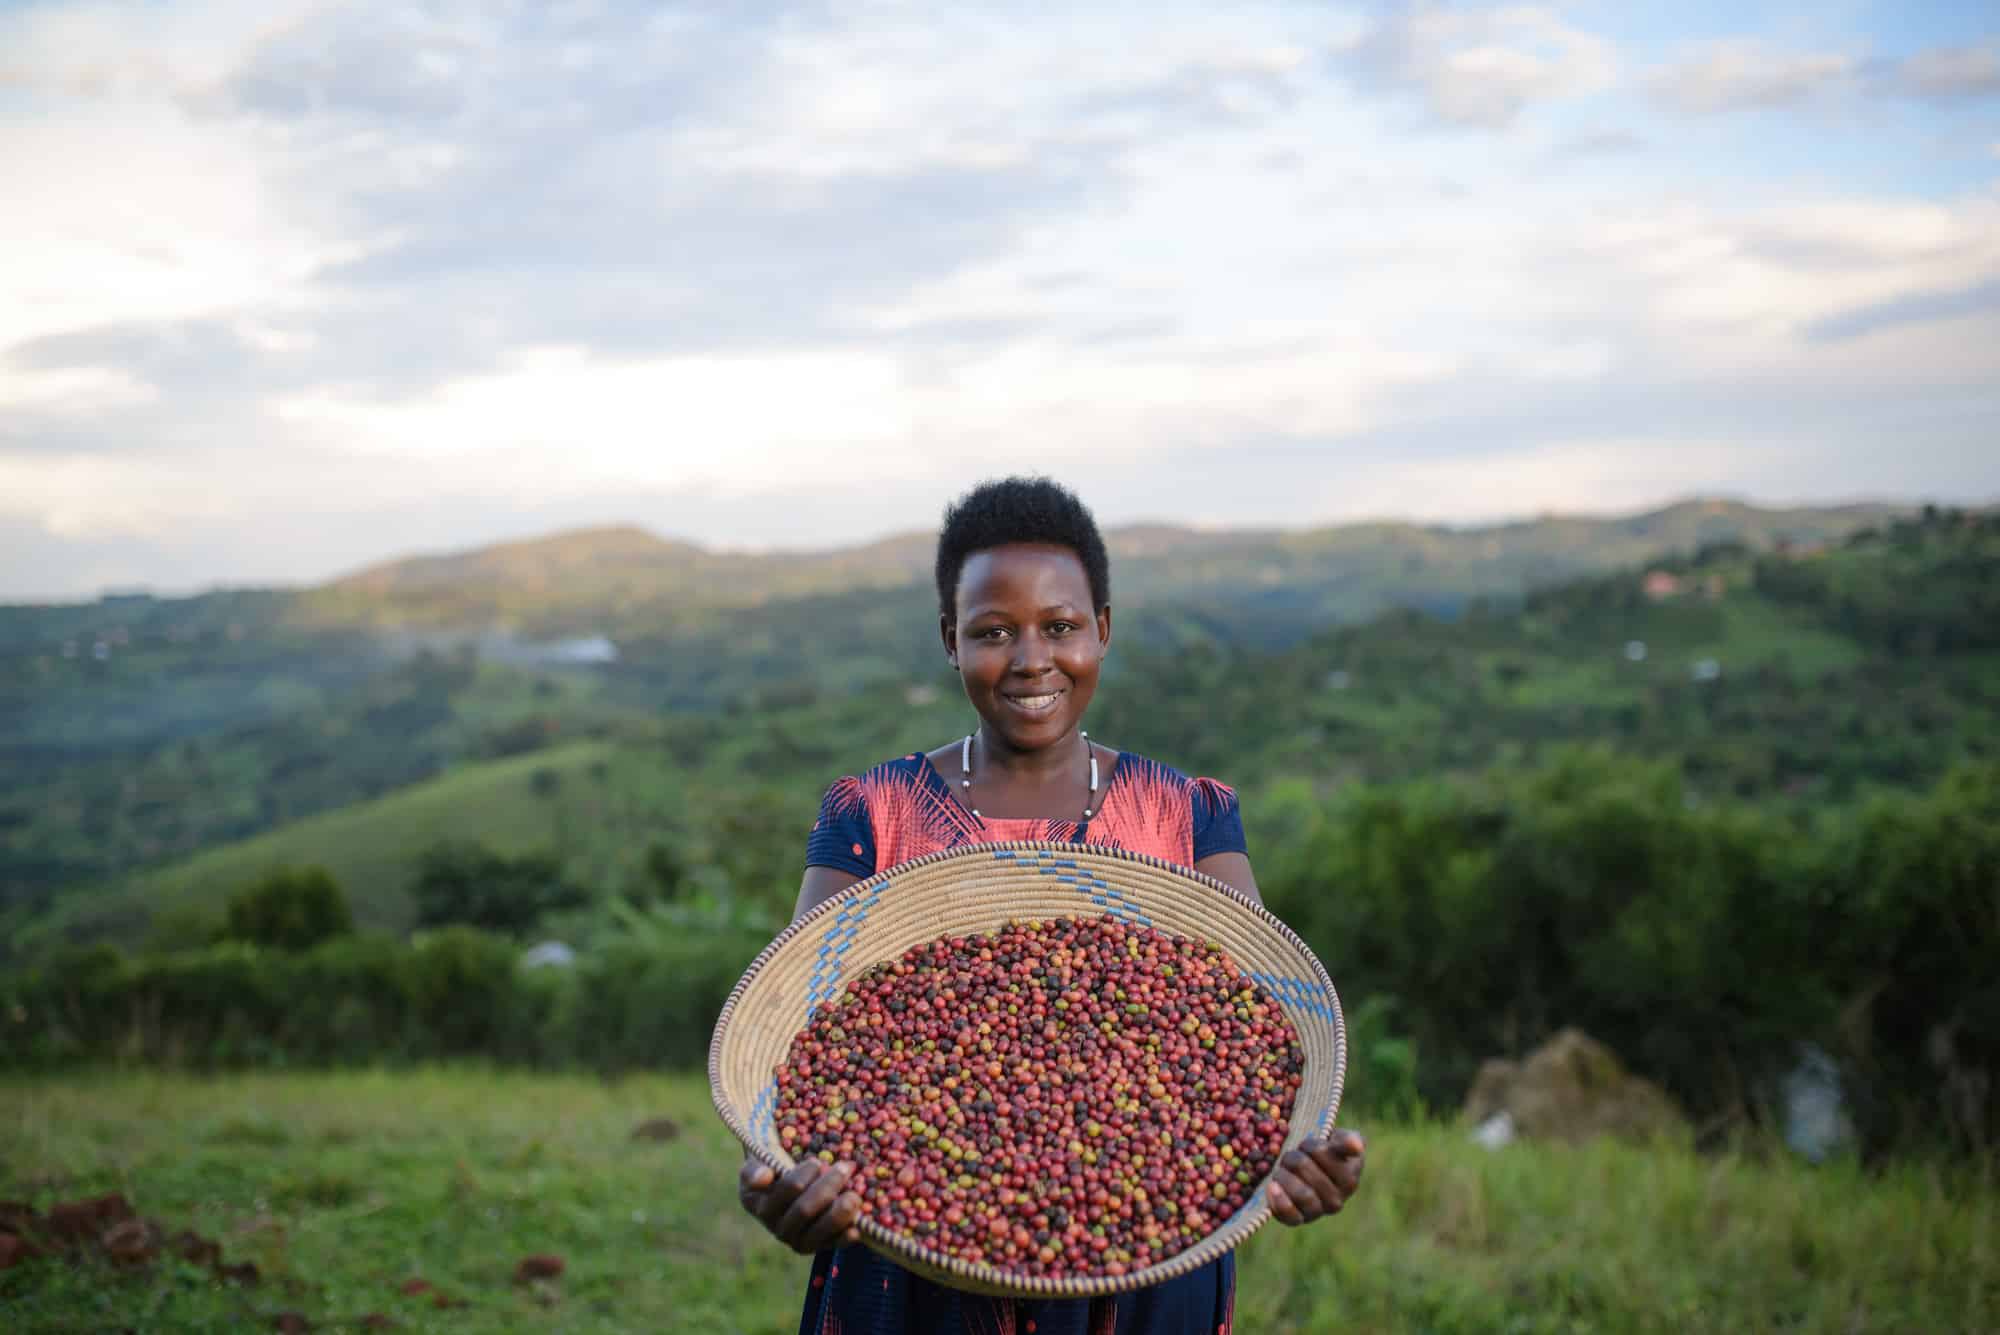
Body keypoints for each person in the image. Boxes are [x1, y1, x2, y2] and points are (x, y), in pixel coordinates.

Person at [739, 477, 1366, 1335]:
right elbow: (793, 1031)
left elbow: (1257, 1020)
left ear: (1102, 629)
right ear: (950, 640)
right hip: (909, 1278)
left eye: (1061, 626)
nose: (1032, 658)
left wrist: (1304, 1155)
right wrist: (775, 1174)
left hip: (1148, 1265)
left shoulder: (1187, 812)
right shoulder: (872, 812)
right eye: (993, 632)